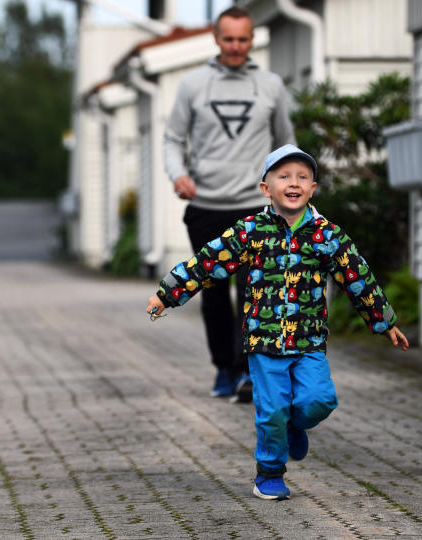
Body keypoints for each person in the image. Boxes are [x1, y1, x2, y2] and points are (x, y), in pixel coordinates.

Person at [146, 144, 410, 501]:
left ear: (313, 188)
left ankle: (294, 425)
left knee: (320, 399)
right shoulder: (250, 231)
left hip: (308, 341)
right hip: (263, 342)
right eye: (284, 176)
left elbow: (356, 275)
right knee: (271, 410)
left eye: (302, 177)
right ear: (265, 188)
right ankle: (269, 472)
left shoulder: (325, 235)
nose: (294, 183)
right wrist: (168, 294)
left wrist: (383, 320)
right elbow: (209, 262)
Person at [163, 6, 296, 403]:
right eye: (229, 39)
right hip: (206, 207)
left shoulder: (271, 85)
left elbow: (286, 145)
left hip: (256, 207)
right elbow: (172, 139)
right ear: (217, 39)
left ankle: (246, 373)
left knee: (255, 292)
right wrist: (178, 175)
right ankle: (223, 367)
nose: (236, 47)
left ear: (252, 40)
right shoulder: (193, 85)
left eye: (243, 39)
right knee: (215, 292)